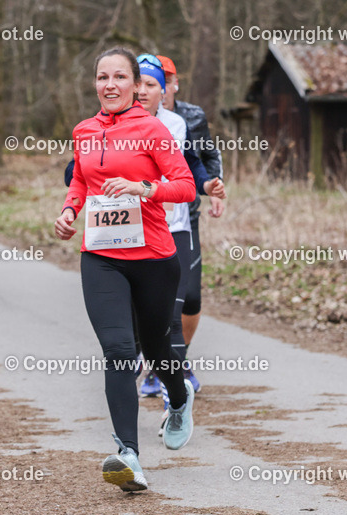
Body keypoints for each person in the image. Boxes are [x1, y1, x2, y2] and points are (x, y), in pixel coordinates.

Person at [56, 47, 197, 492]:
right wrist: (69, 210)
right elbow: (80, 178)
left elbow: (186, 188)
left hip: (154, 257)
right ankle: (129, 455)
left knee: (156, 348)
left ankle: (179, 396)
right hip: (101, 255)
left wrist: (143, 187)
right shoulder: (84, 131)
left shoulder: (153, 130)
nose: (110, 85)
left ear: (136, 85)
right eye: (102, 77)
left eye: (119, 77)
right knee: (118, 349)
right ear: (95, 83)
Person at [159, 55, 225, 394]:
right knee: (157, 300)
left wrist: (214, 187)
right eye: (147, 80)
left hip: (186, 215)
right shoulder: (129, 117)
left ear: (174, 83)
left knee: (190, 297)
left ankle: (175, 361)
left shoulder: (192, 116)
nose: (157, 86)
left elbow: (205, 157)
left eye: (165, 79)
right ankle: (165, 367)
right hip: (147, 221)